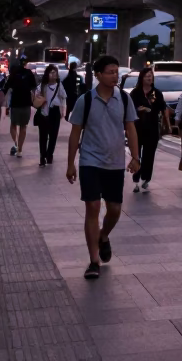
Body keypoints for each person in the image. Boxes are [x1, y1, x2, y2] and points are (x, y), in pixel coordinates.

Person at [66, 55, 140, 280]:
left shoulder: (125, 99)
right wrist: (71, 163)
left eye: (116, 72)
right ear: (97, 75)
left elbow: (131, 129)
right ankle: (93, 261)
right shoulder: (85, 100)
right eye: (109, 72)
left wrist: (136, 157)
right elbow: (75, 133)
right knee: (93, 207)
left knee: (115, 210)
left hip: (115, 162)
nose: (114, 75)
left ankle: (104, 236)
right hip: (90, 160)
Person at [131, 67, 168, 194]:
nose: (149, 78)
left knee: (149, 155)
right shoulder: (135, 93)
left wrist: (167, 124)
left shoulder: (157, 93)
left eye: (151, 76)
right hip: (137, 128)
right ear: (141, 78)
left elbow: (163, 109)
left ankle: (146, 179)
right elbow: (130, 110)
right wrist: (138, 110)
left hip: (152, 128)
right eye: (147, 76)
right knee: (136, 155)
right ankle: (136, 179)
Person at [4, 60, 38, 158]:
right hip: (26, 103)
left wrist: (6, 105)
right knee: (23, 126)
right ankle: (20, 149)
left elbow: (7, 88)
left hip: (15, 103)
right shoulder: (29, 73)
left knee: (13, 125)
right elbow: (34, 88)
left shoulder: (13, 74)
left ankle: (15, 143)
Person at [35, 65, 67, 167]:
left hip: (54, 112)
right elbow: (36, 95)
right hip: (43, 113)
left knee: (53, 136)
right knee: (43, 137)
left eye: (55, 73)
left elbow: (63, 98)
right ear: (47, 74)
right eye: (51, 73)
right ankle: (42, 156)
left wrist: (63, 110)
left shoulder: (59, 85)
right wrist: (39, 98)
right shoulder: (43, 85)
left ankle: (49, 155)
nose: (53, 75)